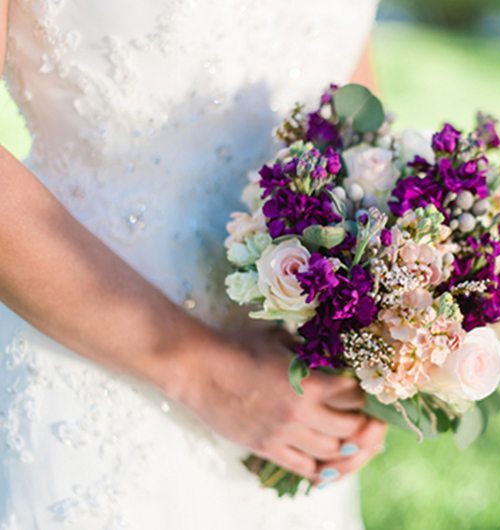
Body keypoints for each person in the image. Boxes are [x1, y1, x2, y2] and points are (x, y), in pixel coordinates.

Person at [0, 1, 385, 528]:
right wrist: (209, 376)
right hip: (90, 377)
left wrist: (380, 348)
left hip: (295, 406)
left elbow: (347, 97)